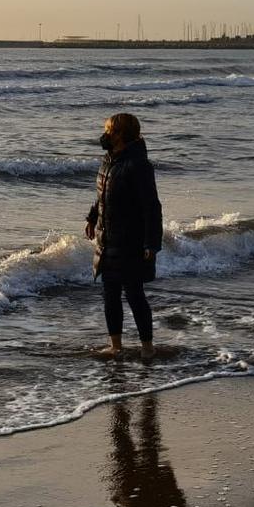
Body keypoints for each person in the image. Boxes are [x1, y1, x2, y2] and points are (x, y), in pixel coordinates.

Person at [84, 110, 163, 362]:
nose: (106, 135)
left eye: (110, 131)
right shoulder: (108, 160)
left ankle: (147, 347)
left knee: (133, 294)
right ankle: (115, 346)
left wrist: (151, 243)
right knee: (110, 294)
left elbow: (152, 206)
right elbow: (101, 193)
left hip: (130, 240)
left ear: (123, 135)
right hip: (106, 239)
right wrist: (92, 218)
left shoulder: (138, 165)